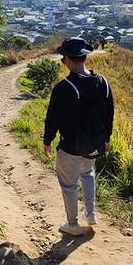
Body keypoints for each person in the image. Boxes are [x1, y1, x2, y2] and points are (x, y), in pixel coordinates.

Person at [43, 37, 114, 236]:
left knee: (69, 184)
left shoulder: (64, 87)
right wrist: (106, 139)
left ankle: (73, 224)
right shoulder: (103, 82)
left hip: (71, 147)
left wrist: (47, 140)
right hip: (94, 145)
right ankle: (90, 215)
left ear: (67, 59)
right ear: (84, 57)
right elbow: (110, 113)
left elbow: (52, 118)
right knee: (88, 173)